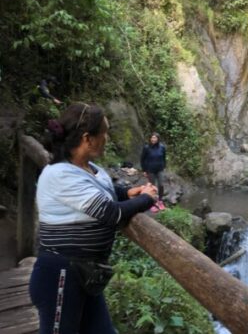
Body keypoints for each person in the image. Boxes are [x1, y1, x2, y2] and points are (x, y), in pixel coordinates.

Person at [29, 103, 158, 334]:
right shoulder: (60, 174)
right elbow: (110, 213)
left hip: (86, 274)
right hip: (61, 276)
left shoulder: (87, 168)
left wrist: (127, 193)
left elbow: (101, 192)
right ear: (88, 139)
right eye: (104, 133)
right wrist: (148, 198)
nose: (107, 138)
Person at [140, 132, 167, 211]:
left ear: (158, 139)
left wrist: (164, 166)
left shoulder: (162, 147)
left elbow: (164, 157)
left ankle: (160, 201)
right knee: (152, 187)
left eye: (155, 138)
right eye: (152, 138)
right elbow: (142, 159)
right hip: (150, 170)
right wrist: (144, 170)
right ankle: (152, 203)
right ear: (150, 138)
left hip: (160, 169)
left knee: (161, 185)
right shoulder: (146, 147)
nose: (153, 139)